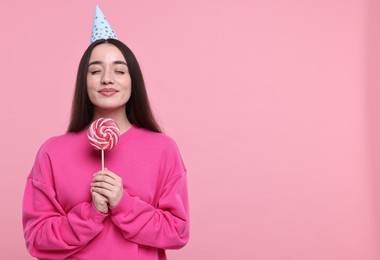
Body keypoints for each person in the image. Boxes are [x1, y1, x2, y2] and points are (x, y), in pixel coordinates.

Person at [22, 6, 189, 260]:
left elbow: (177, 232)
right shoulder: (52, 152)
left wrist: (124, 203)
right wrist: (92, 213)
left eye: (119, 71)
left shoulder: (163, 149)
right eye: (96, 70)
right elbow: (37, 239)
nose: (107, 79)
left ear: (134, 83)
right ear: (84, 81)